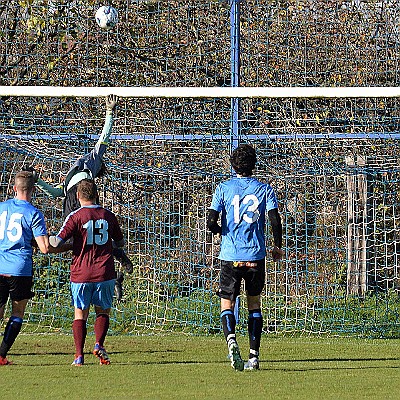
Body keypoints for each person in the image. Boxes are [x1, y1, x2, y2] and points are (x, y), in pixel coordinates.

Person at [23, 94, 132, 301]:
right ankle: (114, 266)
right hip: (75, 199)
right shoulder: (77, 174)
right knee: (87, 239)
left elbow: (104, 139)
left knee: (80, 239)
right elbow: (57, 192)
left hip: (77, 201)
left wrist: (110, 112)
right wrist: (37, 180)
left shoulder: (90, 163)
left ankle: (40, 244)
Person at [207, 143, 284, 371]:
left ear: (233, 165)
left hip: (230, 256)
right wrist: (277, 246)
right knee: (254, 304)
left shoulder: (223, 188)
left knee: (227, 303)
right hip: (255, 256)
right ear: (254, 165)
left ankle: (231, 340)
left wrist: (222, 231)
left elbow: (211, 222)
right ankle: (253, 356)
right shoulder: (264, 189)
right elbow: (274, 220)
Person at [49, 179, 126, 366]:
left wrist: (44, 239)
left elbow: (56, 242)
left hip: (81, 273)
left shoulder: (75, 217)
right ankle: (99, 344)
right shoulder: (109, 216)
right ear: (97, 194)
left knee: (80, 314)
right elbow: (120, 242)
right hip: (105, 273)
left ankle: (78, 356)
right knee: (103, 312)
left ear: (77, 195)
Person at [0, 171, 50, 365]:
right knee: (17, 312)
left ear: (14, 188)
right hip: (20, 268)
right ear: (33, 190)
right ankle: (2, 355)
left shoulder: (1, 208)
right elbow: (44, 248)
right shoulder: (34, 213)